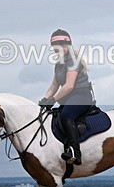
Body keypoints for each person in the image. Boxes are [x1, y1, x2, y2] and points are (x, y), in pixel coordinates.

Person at [38, 29, 95, 165]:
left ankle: (75, 152)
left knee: (65, 116)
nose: (58, 50)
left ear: (67, 46)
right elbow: (54, 85)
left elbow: (69, 86)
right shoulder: (58, 65)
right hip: (68, 98)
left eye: (60, 46)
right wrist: (44, 99)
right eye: (55, 48)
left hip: (81, 96)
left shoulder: (73, 61)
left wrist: (53, 100)